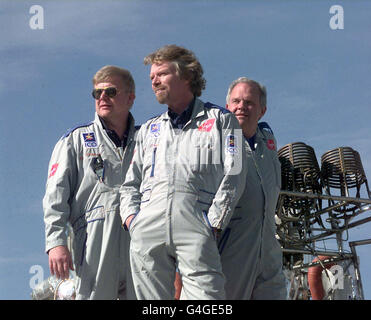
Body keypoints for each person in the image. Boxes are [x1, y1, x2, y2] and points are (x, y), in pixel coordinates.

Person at [119, 45, 246, 300]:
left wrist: (214, 222)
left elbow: (235, 173)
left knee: (207, 299)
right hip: (148, 227)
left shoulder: (222, 120)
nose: (154, 80)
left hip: (197, 222)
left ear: (187, 75)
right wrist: (133, 221)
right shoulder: (149, 130)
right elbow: (130, 184)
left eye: (162, 74)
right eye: (152, 76)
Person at [43, 65, 138, 299]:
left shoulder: (149, 139)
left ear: (130, 97)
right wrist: (56, 241)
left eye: (111, 91)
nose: (103, 97)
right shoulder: (75, 141)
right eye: (98, 93)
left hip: (139, 235)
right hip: (94, 238)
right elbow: (55, 197)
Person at [218, 77, 287, 299]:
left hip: (268, 255)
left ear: (262, 110)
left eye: (249, 103)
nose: (241, 107)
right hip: (230, 253)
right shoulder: (213, 145)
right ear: (227, 106)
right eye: (236, 101)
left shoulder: (267, 145)